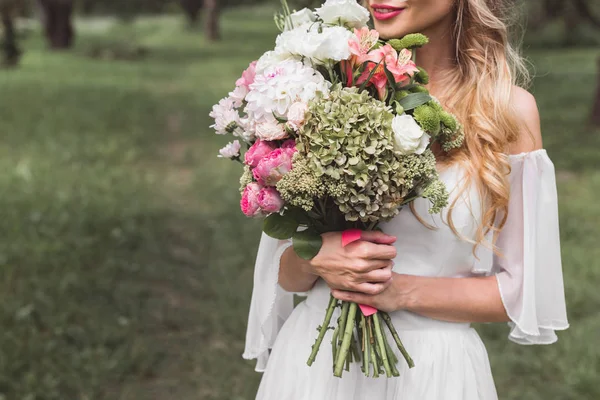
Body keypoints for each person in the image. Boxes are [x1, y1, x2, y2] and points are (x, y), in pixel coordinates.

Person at [243, 0, 569, 398]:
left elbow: (519, 293)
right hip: (316, 363)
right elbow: (286, 276)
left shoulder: (506, 112)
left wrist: (399, 290)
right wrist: (316, 256)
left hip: (432, 372)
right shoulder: (324, 87)